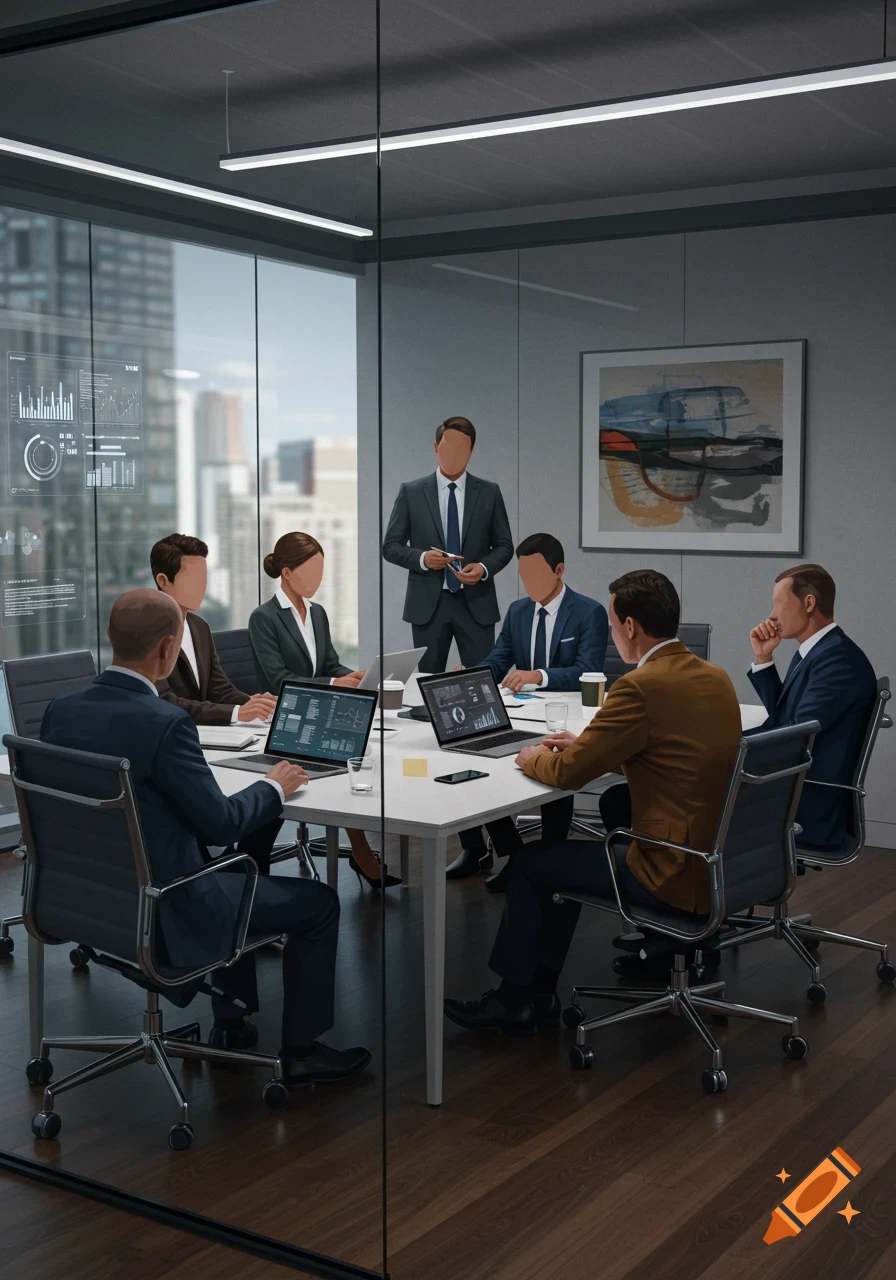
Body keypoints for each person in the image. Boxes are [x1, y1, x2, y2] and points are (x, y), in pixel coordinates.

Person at [40, 589, 370, 1087]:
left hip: (88, 898)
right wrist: (272, 787)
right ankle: (301, 1052)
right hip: (168, 904)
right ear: (168, 649)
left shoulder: (61, 711)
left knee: (233, 868)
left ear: (110, 638)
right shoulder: (166, 723)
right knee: (317, 902)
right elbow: (220, 824)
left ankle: (232, 1025)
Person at [444, 569, 743, 1035]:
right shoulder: (715, 676)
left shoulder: (640, 687)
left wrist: (530, 756)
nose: (610, 632)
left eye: (610, 623)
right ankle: (543, 989)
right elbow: (674, 753)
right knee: (584, 839)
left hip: (673, 868)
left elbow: (568, 774)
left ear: (630, 627)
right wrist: (590, 744)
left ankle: (516, 999)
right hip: (718, 860)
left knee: (534, 862)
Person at [448, 532, 609, 890]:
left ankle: (550, 860)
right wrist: (470, 675)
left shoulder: (589, 612)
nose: (529, 583)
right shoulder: (519, 611)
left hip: (566, 717)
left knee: (551, 760)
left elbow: (588, 671)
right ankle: (501, 852)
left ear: (559, 570)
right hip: (521, 714)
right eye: (524, 576)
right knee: (474, 759)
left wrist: (539, 675)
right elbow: (498, 660)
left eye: (536, 574)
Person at [249, 531, 399, 890]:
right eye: (311, 570)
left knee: (353, 754)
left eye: (321, 570)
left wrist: (354, 676)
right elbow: (278, 679)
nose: (318, 579)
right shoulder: (264, 618)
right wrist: (335, 685)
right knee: (343, 754)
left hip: (320, 713)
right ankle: (359, 855)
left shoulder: (316, 613)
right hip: (286, 719)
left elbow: (329, 663)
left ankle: (362, 852)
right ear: (287, 573)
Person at [748, 563, 876, 851]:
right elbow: (789, 719)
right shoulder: (820, 651)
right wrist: (763, 659)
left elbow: (793, 738)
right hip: (796, 792)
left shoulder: (838, 661)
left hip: (809, 808)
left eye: (779, 604)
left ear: (808, 603)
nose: (771, 615)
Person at [382, 416, 514, 672]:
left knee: (481, 683)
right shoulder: (412, 492)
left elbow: (504, 545)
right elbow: (391, 545)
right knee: (427, 685)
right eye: (448, 446)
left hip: (477, 603)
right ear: (435, 447)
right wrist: (422, 559)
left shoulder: (489, 492)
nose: (453, 454)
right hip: (428, 605)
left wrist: (483, 568)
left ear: (471, 451)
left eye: (461, 448)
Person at [151, 532, 277, 727]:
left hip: (203, 733)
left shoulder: (199, 627)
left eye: (204, 577)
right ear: (163, 581)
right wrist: (237, 713)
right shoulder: (148, 630)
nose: (202, 586)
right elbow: (164, 701)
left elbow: (220, 690)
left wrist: (256, 705)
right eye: (193, 578)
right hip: (168, 734)